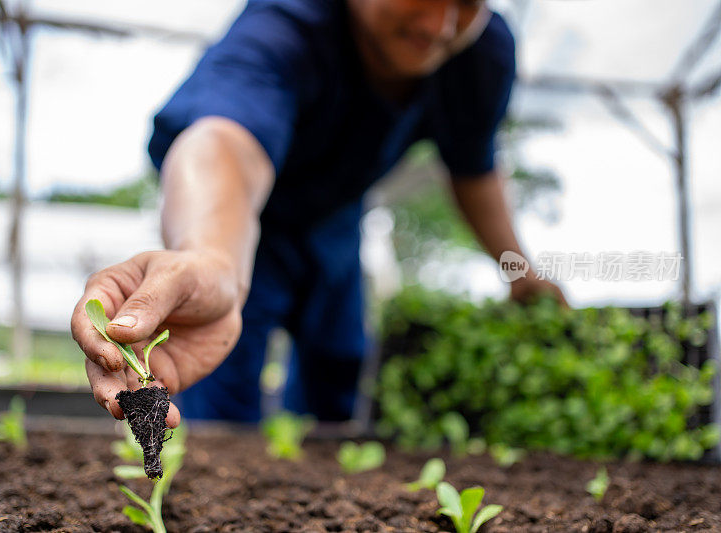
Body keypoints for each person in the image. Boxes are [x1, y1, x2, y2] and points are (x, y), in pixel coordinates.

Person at [71, 0, 566, 428]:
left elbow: (473, 168)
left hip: (335, 221)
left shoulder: (481, 55)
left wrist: (518, 272)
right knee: (219, 388)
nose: (441, 26)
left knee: (338, 373)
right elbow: (225, 144)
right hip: (242, 224)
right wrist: (211, 260)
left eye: (467, 4)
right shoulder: (286, 27)